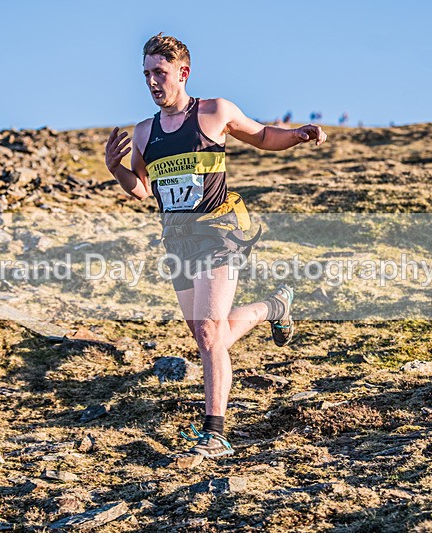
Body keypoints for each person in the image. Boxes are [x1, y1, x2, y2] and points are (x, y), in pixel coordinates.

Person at [104, 33, 326, 460]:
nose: (152, 81)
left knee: (208, 333)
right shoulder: (145, 132)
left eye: (160, 73)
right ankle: (273, 308)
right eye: (147, 74)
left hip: (219, 231)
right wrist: (116, 169)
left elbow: (262, 136)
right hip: (177, 240)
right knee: (212, 334)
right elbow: (142, 190)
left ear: (182, 73)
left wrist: (297, 135)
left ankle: (215, 432)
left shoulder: (214, 112)